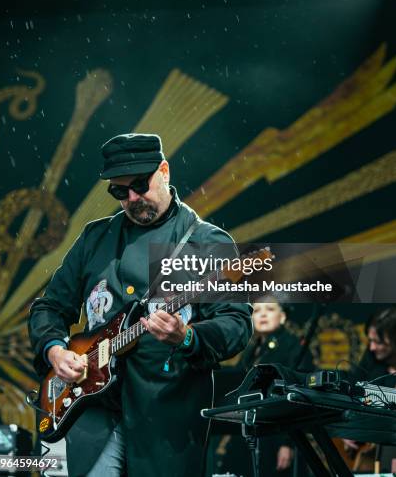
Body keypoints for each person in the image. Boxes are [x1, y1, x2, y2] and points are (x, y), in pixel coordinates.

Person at [28, 133, 253, 477]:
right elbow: (50, 307)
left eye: (140, 185)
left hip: (166, 419)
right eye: (120, 191)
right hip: (93, 413)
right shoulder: (95, 237)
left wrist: (188, 337)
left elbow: (237, 325)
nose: (133, 198)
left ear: (164, 170)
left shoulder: (208, 243)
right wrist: (55, 350)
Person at [214, 301, 313, 476]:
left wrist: (287, 443)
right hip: (252, 431)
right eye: (257, 310)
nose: (263, 314)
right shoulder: (251, 349)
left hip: (278, 432)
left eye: (270, 309)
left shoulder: (294, 347)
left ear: (282, 317)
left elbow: (299, 396)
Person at [346, 305, 396, 473]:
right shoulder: (371, 361)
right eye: (370, 341)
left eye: (378, 342)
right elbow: (350, 395)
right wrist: (348, 429)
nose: (372, 347)